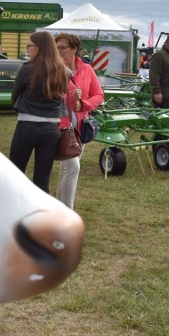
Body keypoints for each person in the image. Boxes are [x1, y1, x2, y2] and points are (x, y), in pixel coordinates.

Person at [9, 31, 70, 193]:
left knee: (15, 174)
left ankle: (15, 213)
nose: (27, 49)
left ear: (39, 47)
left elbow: (14, 97)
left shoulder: (27, 69)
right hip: (51, 130)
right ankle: (42, 216)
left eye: (30, 45)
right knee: (42, 179)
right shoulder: (63, 71)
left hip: (27, 126)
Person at [54, 33, 104, 209]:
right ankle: (67, 211)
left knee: (67, 170)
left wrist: (83, 104)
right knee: (73, 168)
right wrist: (69, 97)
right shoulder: (54, 69)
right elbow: (50, 96)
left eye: (62, 48)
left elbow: (99, 95)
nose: (58, 51)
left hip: (81, 127)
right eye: (56, 47)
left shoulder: (87, 70)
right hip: (61, 126)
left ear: (74, 49)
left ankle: (58, 207)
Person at [149, 33, 169, 108]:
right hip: (163, 98)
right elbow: (154, 74)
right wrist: (157, 92)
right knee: (163, 118)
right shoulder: (159, 55)